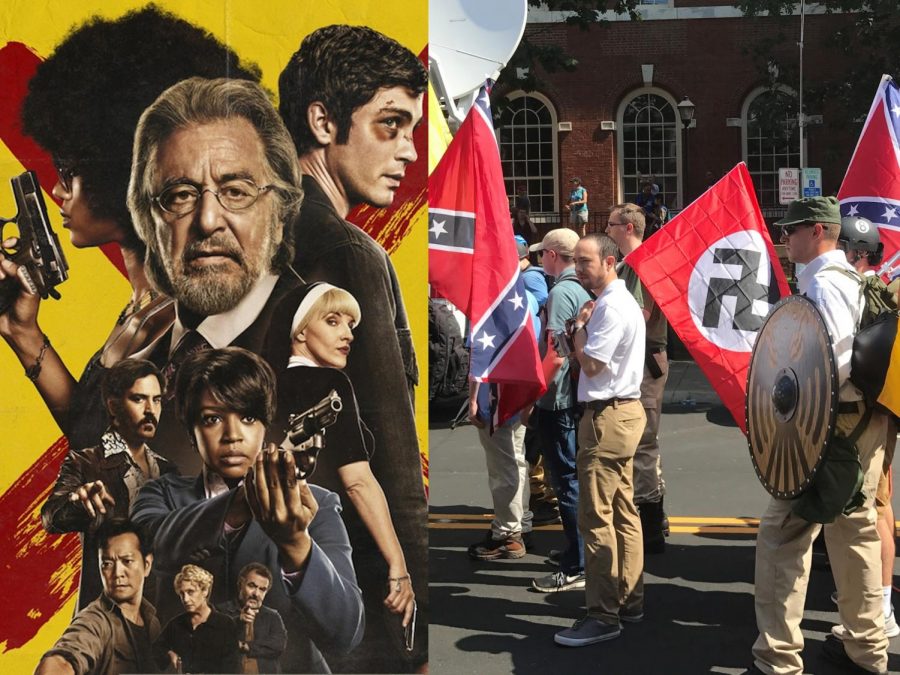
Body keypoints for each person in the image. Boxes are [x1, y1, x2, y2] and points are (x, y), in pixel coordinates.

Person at [0, 6, 259, 451]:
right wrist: (22, 331)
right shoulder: (143, 306)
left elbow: (119, 458)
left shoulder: (191, 327)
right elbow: (94, 431)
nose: (58, 191)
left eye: (68, 170)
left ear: (124, 178)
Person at [278, 25, 428, 671]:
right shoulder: (346, 251)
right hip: (347, 572)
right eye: (390, 125)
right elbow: (389, 455)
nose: (408, 152)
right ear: (322, 120)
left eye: (414, 130)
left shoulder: (255, 232)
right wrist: (414, 617)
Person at [131, 347, 363, 673]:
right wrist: (243, 501)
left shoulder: (318, 504)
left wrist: (298, 546)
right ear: (190, 431)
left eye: (248, 417)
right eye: (212, 419)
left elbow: (345, 633)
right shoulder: (160, 494)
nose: (233, 436)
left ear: (265, 426)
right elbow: (153, 544)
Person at [126, 76, 304, 474]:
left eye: (236, 191)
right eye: (180, 195)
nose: (207, 221)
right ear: (147, 223)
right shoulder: (141, 360)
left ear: (279, 217)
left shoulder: (317, 349)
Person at [751, 197, 889, 675]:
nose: (785, 239)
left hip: (830, 429)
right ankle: (866, 650)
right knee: (855, 533)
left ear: (816, 231)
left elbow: (830, 365)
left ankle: (776, 660)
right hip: (863, 424)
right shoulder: (856, 279)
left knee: (782, 535)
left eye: (791, 231)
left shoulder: (825, 285)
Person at [267, 282, 416, 631]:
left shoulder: (267, 386)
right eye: (332, 321)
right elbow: (358, 484)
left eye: (350, 325)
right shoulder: (328, 383)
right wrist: (398, 565)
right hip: (338, 548)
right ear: (300, 330)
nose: (347, 334)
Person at [554, 233, 646, 647]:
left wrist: (577, 329)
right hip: (623, 412)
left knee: (596, 517)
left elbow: (591, 363)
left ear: (610, 263)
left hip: (608, 416)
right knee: (624, 509)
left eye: (585, 261)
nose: (578, 268)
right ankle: (629, 599)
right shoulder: (618, 302)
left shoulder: (610, 308)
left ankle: (603, 615)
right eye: (575, 261)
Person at [41, 359, 175, 610]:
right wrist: (79, 502)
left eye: (156, 400)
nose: (150, 410)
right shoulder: (86, 461)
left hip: (154, 618)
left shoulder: (168, 471)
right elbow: (51, 516)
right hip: (101, 616)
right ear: (113, 406)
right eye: (139, 399)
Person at [831, 215, 899, 640]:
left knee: (873, 506)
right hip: (884, 409)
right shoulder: (877, 290)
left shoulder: (874, 292)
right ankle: (872, 599)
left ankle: (880, 605)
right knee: (873, 504)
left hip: (873, 412)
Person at [528, 229, 592, 593]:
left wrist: (533, 396)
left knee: (565, 479)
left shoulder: (560, 292)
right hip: (575, 396)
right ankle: (575, 551)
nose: (540, 260)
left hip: (558, 399)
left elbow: (554, 353)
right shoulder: (581, 289)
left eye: (542, 254)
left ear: (553, 255)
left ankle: (579, 564)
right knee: (571, 476)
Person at [605, 204, 671, 554]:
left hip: (646, 360)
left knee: (643, 442)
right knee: (642, 441)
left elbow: (641, 316)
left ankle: (650, 524)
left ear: (628, 228)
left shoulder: (641, 264)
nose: (608, 228)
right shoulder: (629, 264)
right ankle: (653, 515)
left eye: (612, 224)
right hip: (639, 359)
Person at [35, 518, 160, 675]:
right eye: (107, 564)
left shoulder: (152, 620)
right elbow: (61, 661)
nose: (117, 573)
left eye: (127, 561)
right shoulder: (95, 621)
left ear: (146, 565)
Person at [155, 564, 240, 674]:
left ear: (205, 591)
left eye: (190, 592)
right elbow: (156, 649)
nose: (185, 599)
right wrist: (169, 653)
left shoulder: (225, 624)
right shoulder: (175, 624)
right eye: (182, 593)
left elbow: (232, 669)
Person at [219, 563, 287, 674]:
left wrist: (245, 646)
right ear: (240, 583)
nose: (256, 593)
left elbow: (278, 645)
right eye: (252, 586)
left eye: (262, 589)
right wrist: (238, 622)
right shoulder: (220, 611)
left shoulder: (273, 616)